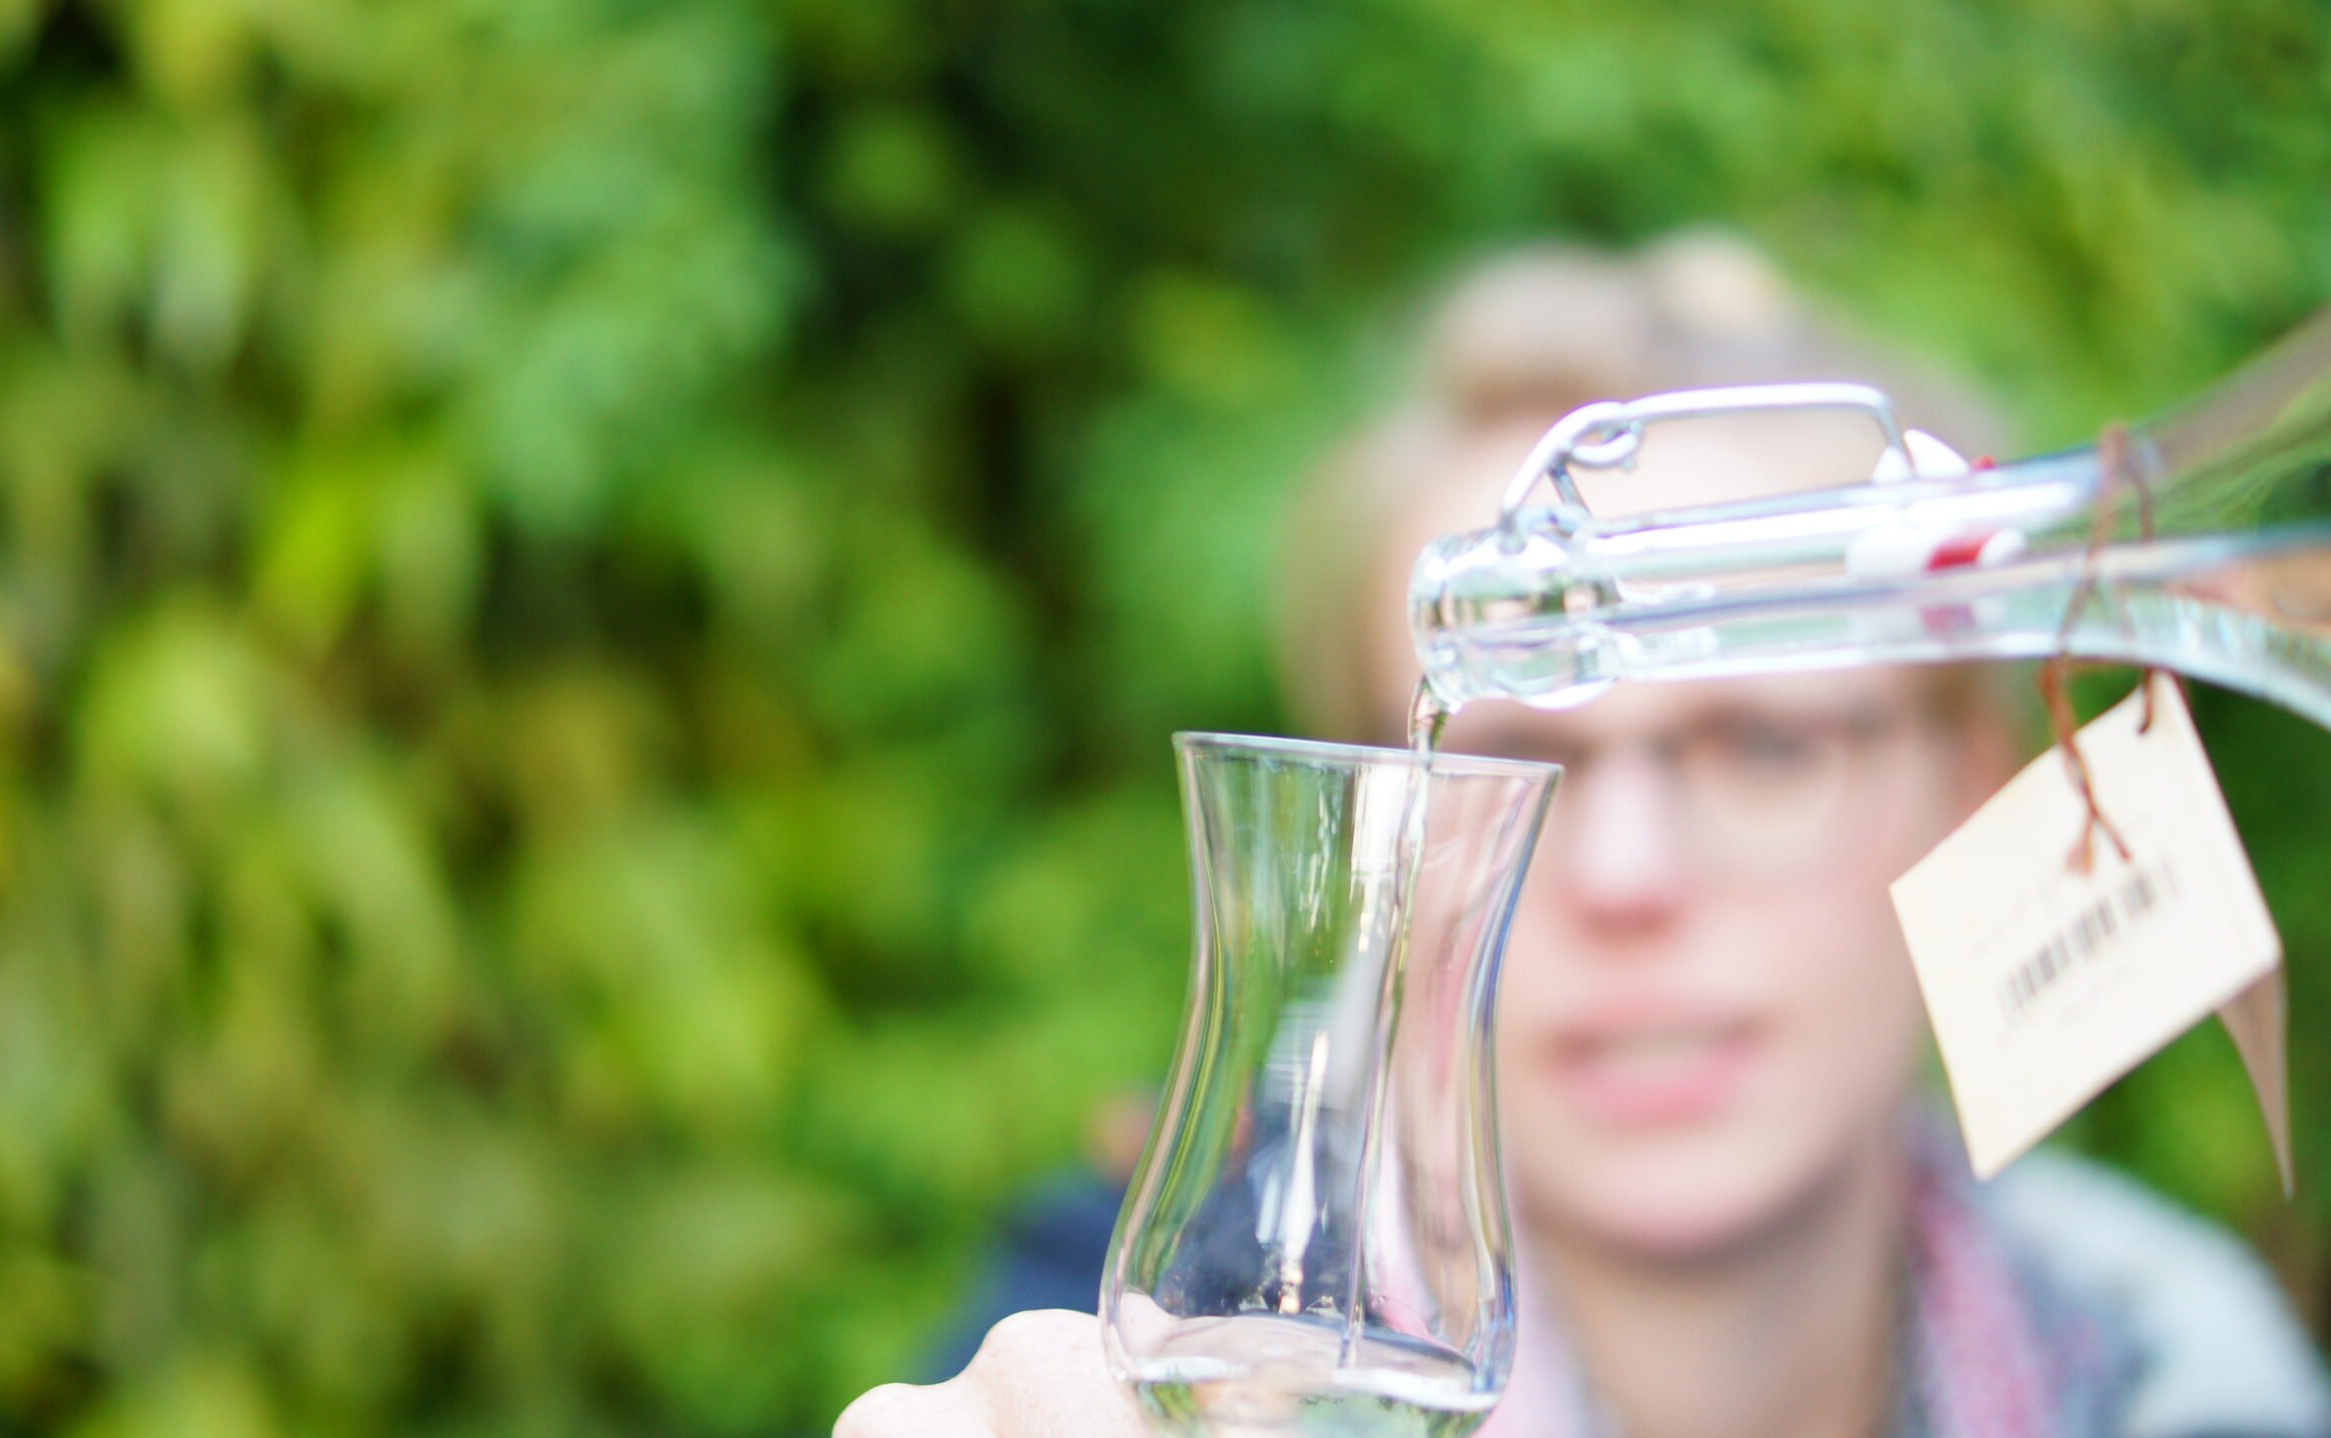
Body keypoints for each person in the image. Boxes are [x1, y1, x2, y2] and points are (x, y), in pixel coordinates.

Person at [837, 234, 2331, 1438]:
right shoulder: (1136, 1349)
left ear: (1983, 789)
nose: (1624, 878)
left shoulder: (2187, 1372)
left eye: (1763, 744)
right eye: (1521, 758)